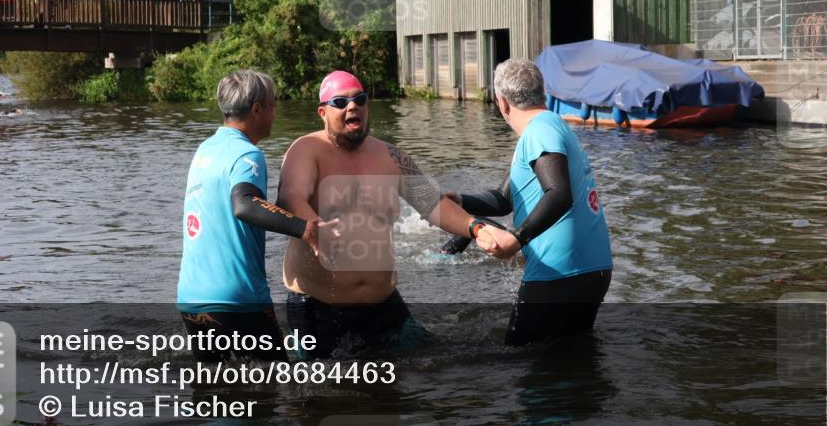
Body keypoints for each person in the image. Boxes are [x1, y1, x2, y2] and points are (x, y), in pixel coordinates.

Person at [277, 70, 513, 358]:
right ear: (322, 112)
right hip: (317, 307)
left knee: (429, 370)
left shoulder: (391, 157)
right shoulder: (306, 150)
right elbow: (290, 197)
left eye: (360, 100)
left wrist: (476, 228)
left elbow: (433, 204)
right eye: (341, 102)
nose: (353, 107)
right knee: (320, 397)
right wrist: (314, 227)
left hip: (383, 305)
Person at [178, 70, 341, 362]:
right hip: (237, 297)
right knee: (276, 383)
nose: (275, 112)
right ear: (257, 110)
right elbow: (245, 205)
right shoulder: (247, 155)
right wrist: (305, 228)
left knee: (210, 387)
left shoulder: (205, 149)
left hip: (192, 295)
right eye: (272, 104)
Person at [454, 59, 613, 346]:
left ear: (502, 102)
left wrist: (516, 238)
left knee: (521, 361)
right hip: (589, 270)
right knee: (569, 360)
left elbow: (559, 193)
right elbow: (504, 200)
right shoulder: (547, 128)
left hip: (559, 274)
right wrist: (459, 200)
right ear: (542, 93)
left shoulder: (540, 132)